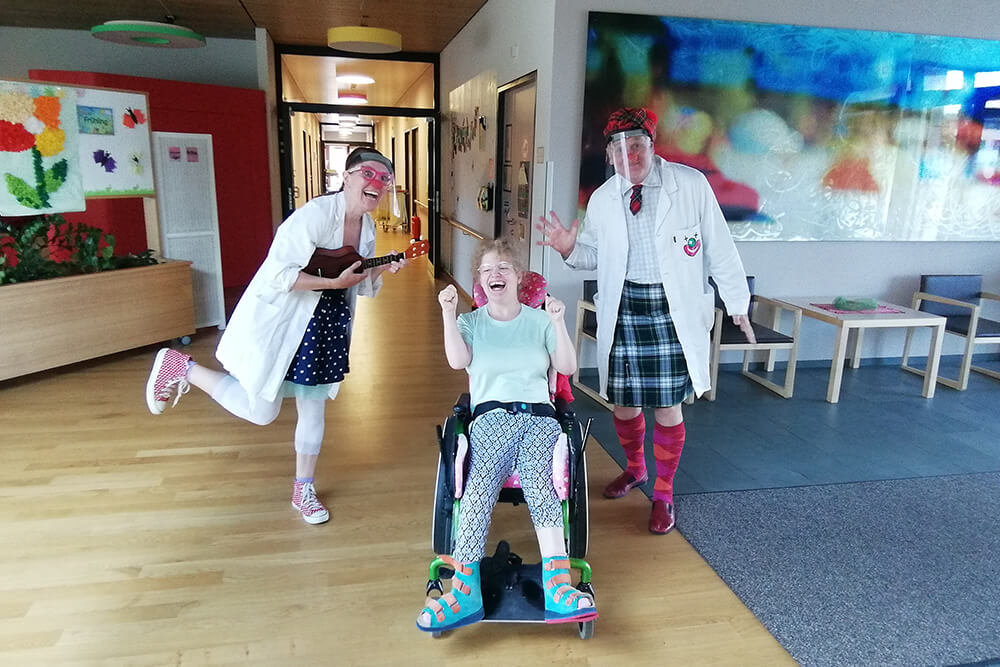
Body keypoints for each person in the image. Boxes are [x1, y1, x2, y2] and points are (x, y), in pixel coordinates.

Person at [144, 147, 407, 525]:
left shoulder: (367, 228)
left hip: (327, 326)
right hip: (285, 321)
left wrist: (382, 269)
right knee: (261, 411)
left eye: (384, 179)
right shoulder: (314, 216)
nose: (377, 183)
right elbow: (278, 274)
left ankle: (304, 489)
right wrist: (331, 283)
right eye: (369, 173)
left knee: (313, 408)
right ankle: (181, 367)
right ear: (347, 176)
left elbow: (356, 280)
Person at [536, 107, 755, 535]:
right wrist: (567, 248)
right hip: (625, 306)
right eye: (619, 148)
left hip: (672, 309)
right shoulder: (603, 198)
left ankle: (664, 492)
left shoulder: (690, 185)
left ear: (652, 146)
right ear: (609, 154)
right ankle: (635, 468)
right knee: (623, 402)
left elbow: (720, 247)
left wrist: (737, 303)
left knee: (668, 406)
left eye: (636, 145)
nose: (628, 155)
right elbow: (594, 256)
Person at [416, 239, 597, 633]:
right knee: (478, 489)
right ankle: (465, 592)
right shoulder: (471, 322)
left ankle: (558, 587)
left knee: (541, 487)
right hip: (490, 419)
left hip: (538, 418)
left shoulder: (539, 320)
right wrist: (448, 313)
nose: (494, 274)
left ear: (518, 276)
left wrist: (557, 322)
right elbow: (457, 361)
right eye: (487, 270)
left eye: (503, 268)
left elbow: (566, 366)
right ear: (480, 281)